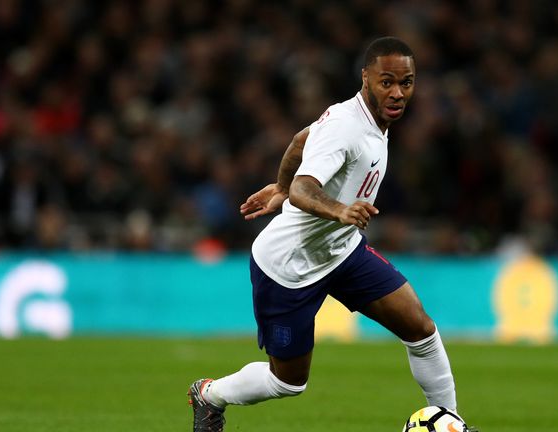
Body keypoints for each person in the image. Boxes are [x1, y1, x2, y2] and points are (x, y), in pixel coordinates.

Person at [188, 36, 473, 432]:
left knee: (420, 329)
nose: (397, 92)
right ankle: (209, 394)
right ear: (366, 78)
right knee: (287, 382)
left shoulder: (365, 120)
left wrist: (280, 186)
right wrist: (331, 206)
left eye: (406, 82)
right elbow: (307, 187)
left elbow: (299, 142)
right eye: (386, 81)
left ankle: (451, 423)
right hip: (289, 268)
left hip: (342, 253)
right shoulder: (346, 128)